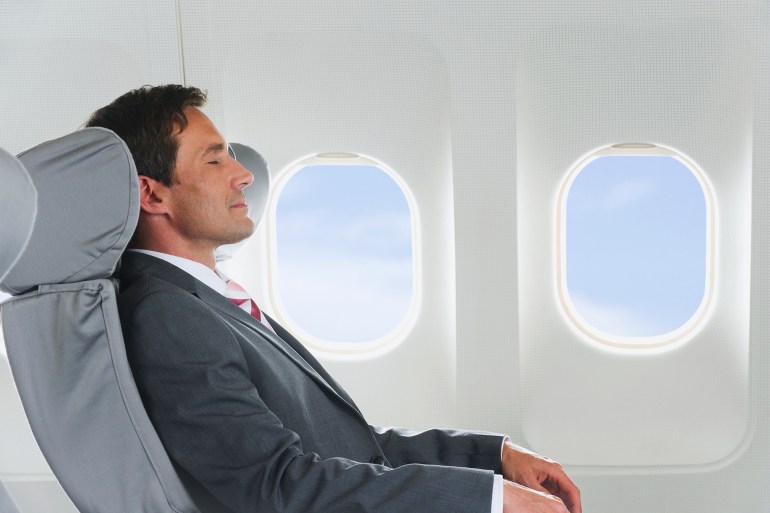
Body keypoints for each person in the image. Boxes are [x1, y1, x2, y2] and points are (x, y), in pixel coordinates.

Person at [86, 84, 581, 513]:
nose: (243, 174)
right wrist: (489, 501)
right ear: (151, 196)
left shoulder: (207, 299)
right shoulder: (169, 315)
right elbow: (277, 487)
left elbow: (350, 446)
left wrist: (494, 457)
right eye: (214, 159)